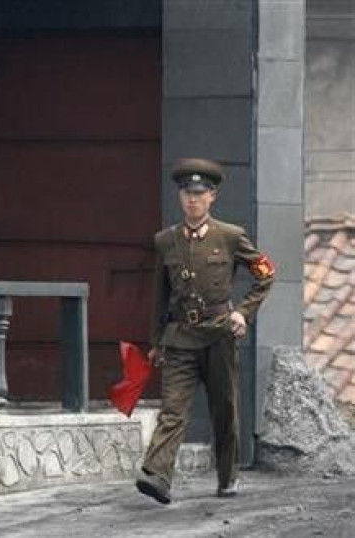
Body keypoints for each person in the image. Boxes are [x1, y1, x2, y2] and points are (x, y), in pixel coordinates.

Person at [135, 158, 275, 505]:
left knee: (223, 410)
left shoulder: (230, 236)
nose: (192, 199)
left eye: (199, 193)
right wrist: (155, 342)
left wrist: (243, 312)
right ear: (180, 196)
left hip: (218, 335)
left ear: (212, 196)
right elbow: (160, 294)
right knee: (173, 410)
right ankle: (157, 476)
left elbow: (266, 273)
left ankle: (227, 478)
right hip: (180, 338)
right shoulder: (165, 241)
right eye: (186, 193)